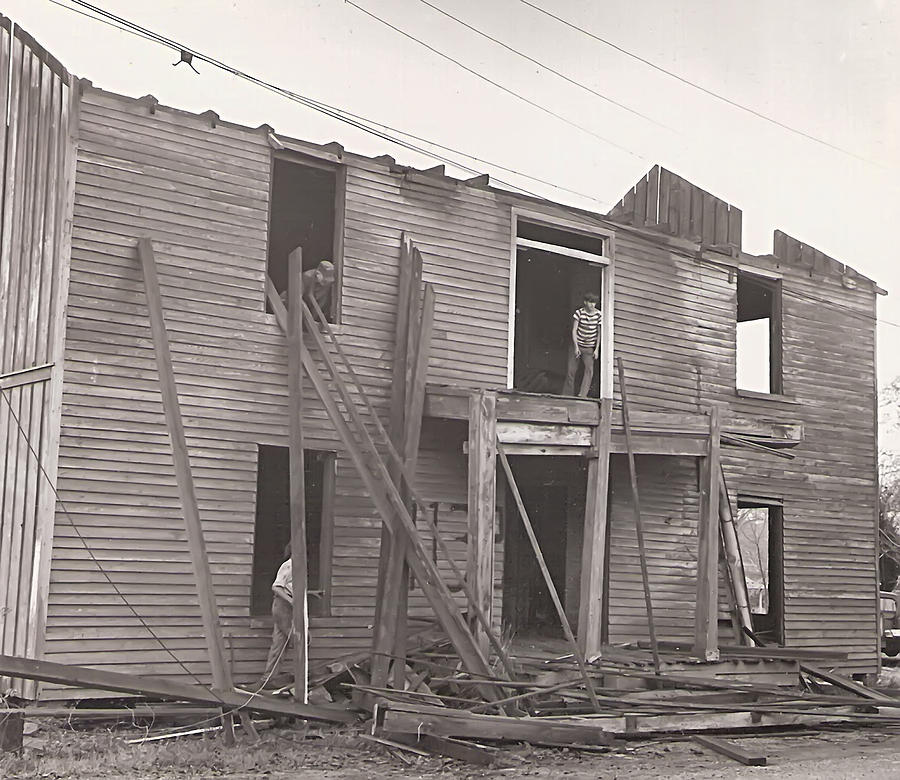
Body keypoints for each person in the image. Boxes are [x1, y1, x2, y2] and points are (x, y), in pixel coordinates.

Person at [260, 544, 293, 686]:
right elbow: (277, 587)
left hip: (288, 607)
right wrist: (292, 601)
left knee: (280, 642)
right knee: (300, 638)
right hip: (283, 606)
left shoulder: (298, 567)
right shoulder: (289, 565)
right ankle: (269, 678)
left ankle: (269, 677)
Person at [562, 292, 601, 397]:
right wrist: (576, 347)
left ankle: (583, 395)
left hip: (589, 348)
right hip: (577, 345)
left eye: (594, 303)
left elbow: (599, 333)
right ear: (585, 302)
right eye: (590, 302)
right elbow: (574, 330)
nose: (592, 305)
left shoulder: (598, 315)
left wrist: (596, 349)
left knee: (589, 370)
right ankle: (567, 395)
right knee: (571, 370)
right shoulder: (579, 313)